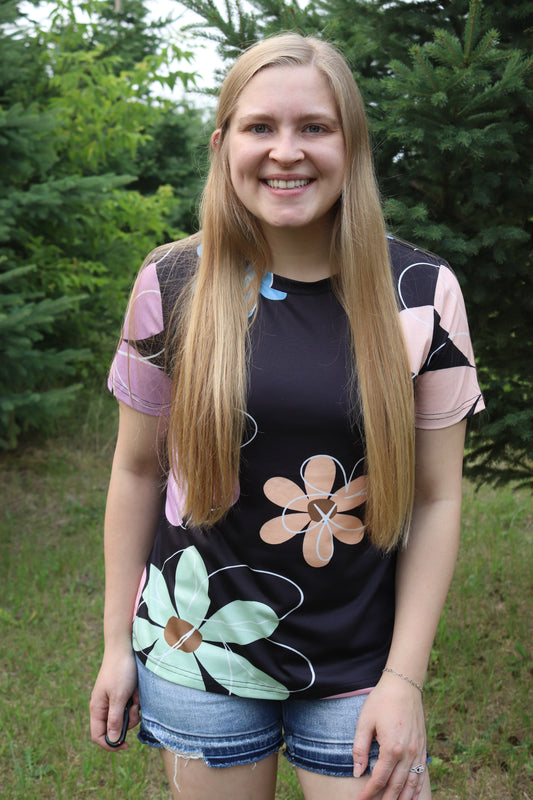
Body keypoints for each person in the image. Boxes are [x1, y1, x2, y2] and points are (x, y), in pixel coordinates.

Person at [90, 33, 484, 800]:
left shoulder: (422, 292)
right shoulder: (171, 281)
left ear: (351, 145)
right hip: (200, 652)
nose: (286, 153)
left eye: (314, 127)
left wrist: (403, 679)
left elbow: (437, 497)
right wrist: (113, 645)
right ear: (223, 144)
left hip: (363, 663)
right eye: (260, 128)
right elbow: (137, 469)